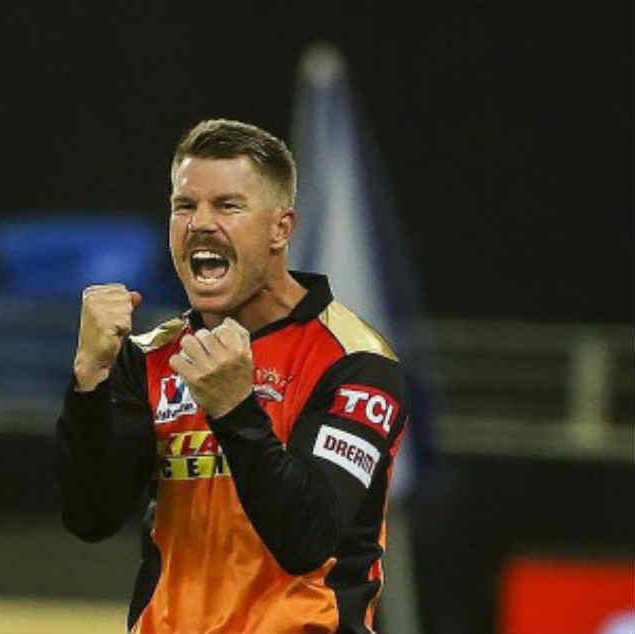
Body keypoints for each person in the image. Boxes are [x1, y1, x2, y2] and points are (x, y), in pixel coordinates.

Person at [56, 119, 409, 634]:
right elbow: (91, 517)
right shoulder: (150, 356)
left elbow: (308, 540)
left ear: (281, 229)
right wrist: (89, 379)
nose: (200, 223)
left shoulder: (355, 361)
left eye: (227, 206)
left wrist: (236, 411)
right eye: (185, 205)